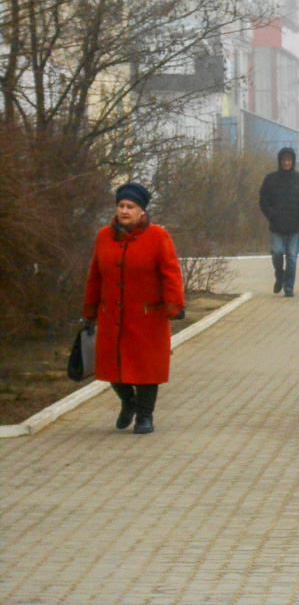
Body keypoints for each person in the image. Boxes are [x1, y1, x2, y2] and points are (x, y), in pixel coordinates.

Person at [83, 183, 185, 434]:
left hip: (147, 316)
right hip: (111, 315)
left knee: (147, 370)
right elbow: (95, 275)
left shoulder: (158, 236)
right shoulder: (103, 236)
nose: (124, 211)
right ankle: (128, 402)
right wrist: (90, 310)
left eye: (130, 206)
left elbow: (171, 273)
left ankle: (145, 417)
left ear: (142, 211)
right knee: (111, 367)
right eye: (121, 205)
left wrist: (175, 305)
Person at [259, 147, 299, 297]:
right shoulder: (270, 179)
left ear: (293, 161)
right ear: (280, 161)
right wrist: (271, 215)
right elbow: (263, 201)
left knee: (291, 257)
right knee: (277, 252)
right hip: (276, 224)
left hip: (294, 225)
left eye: (289, 160)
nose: (286, 163)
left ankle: (288, 286)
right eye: (284, 160)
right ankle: (279, 275)